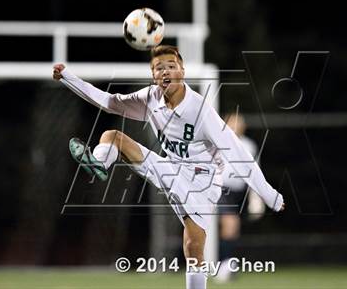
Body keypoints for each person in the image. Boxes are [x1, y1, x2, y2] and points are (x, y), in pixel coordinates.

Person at [52, 45, 285, 289]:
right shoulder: (150, 97)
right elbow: (109, 102)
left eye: (171, 67)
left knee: (193, 248)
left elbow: (238, 153)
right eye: (159, 68)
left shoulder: (200, 111)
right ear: (153, 75)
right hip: (169, 167)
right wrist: (68, 77)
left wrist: (270, 195)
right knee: (112, 136)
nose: (165, 72)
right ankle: (99, 163)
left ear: (182, 71)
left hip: (202, 181)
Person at [215, 113, 266, 283]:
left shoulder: (249, 146)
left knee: (233, 229)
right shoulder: (216, 141)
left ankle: (226, 263)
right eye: (232, 122)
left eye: (239, 123)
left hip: (239, 193)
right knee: (230, 224)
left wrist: (256, 197)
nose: (236, 126)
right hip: (220, 189)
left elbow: (254, 173)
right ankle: (223, 265)